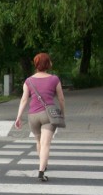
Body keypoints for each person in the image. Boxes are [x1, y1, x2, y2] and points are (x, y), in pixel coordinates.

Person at [14, 52, 66, 182]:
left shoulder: (28, 81)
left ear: (36, 65)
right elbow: (61, 98)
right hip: (48, 115)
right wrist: (62, 112)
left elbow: (24, 100)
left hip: (33, 116)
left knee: (39, 142)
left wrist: (18, 117)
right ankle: (41, 171)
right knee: (46, 144)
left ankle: (43, 164)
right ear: (48, 64)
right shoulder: (54, 79)